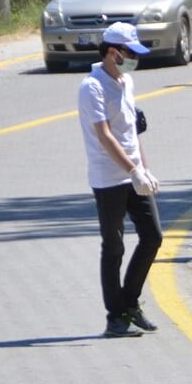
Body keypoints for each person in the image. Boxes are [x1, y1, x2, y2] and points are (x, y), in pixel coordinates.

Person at [77, 22, 163, 338]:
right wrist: (132, 171)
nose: (134, 58)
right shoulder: (92, 86)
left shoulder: (126, 81)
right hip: (108, 178)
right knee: (113, 247)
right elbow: (105, 136)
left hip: (132, 174)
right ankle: (115, 316)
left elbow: (130, 133)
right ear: (114, 52)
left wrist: (145, 169)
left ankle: (130, 302)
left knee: (153, 236)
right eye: (130, 52)